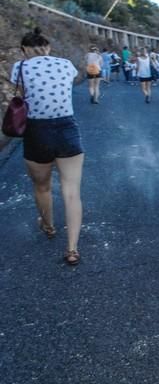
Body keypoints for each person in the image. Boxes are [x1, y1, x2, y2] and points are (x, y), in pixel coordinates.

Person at [10, 28, 84, 265]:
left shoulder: (20, 67)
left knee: (42, 186)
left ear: (24, 50)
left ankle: (49, 226)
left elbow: (24, 97)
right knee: (71, 191)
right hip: (66, 129)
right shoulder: (66, 64)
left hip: (37, 131)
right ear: (48, 47)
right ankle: (72, 249)